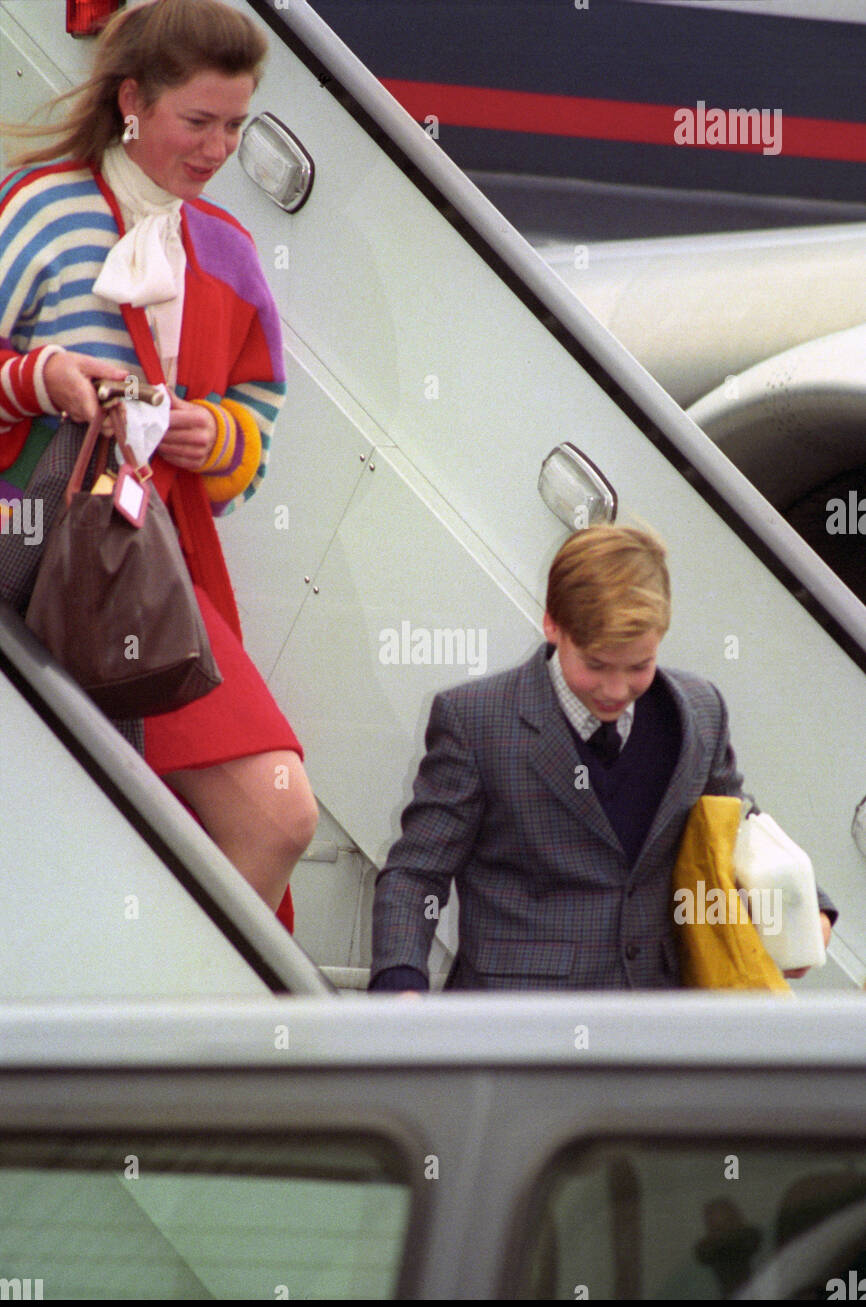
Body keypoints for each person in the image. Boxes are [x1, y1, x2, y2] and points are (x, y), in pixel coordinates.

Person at [0, 0, 317, 929]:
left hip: (145, 568)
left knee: (279, 814)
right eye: (199, 121)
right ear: (133, 102)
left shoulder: (228, 252)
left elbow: (254, 437)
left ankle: (178, 1059)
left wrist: (210, 437)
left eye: (235, 124)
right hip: (29, 549)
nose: (220, 148)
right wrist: (41, 376)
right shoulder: (39, 207)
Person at [369, 523, 834, 991]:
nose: (616, 691)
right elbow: (417, 874)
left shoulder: (700, 712)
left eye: (639, 666)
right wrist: (401, 980)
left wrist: (802, 908)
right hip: (515, 1026)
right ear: (553, 625)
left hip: (655, 1025)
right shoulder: (475, 721)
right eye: (595, 665)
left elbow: (738, 827)